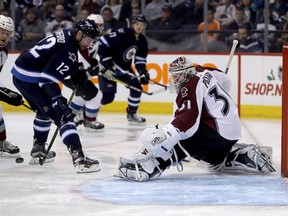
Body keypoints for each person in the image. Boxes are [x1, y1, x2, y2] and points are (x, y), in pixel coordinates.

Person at [115, 56, 275, 181]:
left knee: (181, 139)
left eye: (177, 76)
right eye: (173, 76)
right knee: (212, 161)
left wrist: (164, 136)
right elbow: (225, 80)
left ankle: (150, 166)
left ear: (186, 73)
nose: (175, 80)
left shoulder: (188, 86)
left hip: (216, 132)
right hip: (230, 131)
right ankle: (240, 155)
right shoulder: (202, 70)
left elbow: (186, 124)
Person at [11, 19, 101, 173]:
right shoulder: (68, 50)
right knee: (63, 116)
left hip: (21, 74)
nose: (89, 44)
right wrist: (58, 100)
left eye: (92, 41)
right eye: (88, 39)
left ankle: (38, 149)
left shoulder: (68, 35)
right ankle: (79, 158)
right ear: (79, 34)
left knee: (43, 111)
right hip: (32, 79)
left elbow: (54, 58)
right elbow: (47, 80)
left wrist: (76, 71)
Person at [98, 14, 150, 126]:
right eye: (137, 24)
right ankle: (85, 111)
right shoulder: (123, 34)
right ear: (132, 24)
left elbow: (140, 60)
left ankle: (132, 114)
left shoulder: (142, 41)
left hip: (124, 69)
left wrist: (142, 72)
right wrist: (106, 62)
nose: (139, 27)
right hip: (109, 68)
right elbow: (102, 41)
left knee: (136, 88)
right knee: (107, 97)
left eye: (142, 25)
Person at [67, 14, 105, 132]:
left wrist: (94, 65)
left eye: (100, 25)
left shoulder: (95, 39)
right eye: (96, 25)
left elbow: (88, 58)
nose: (98, 28)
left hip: (72, 72)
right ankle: (89, 121)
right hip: (72, 72)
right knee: (97, 95)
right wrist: (92, 65)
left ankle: (68, 119)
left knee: (80, 97)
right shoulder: (86, 37)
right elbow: (79, 56)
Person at [0, 15, 24, 157]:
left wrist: (6, 92)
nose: (5, 36)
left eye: (8, 33)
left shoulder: (3, 52)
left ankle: (1, 142)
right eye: (2, 31)